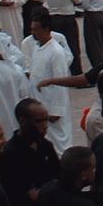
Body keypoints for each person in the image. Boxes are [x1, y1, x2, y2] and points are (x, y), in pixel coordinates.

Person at [28, 11, 73, 154]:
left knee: (58, 148)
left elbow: (60, 82)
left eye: (36, 29)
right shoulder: (37, 47)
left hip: (53, 111)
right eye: (32, 29)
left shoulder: (56, 52)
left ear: (46, 30)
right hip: (41, 105)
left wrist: (55, 111)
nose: (33, 33)